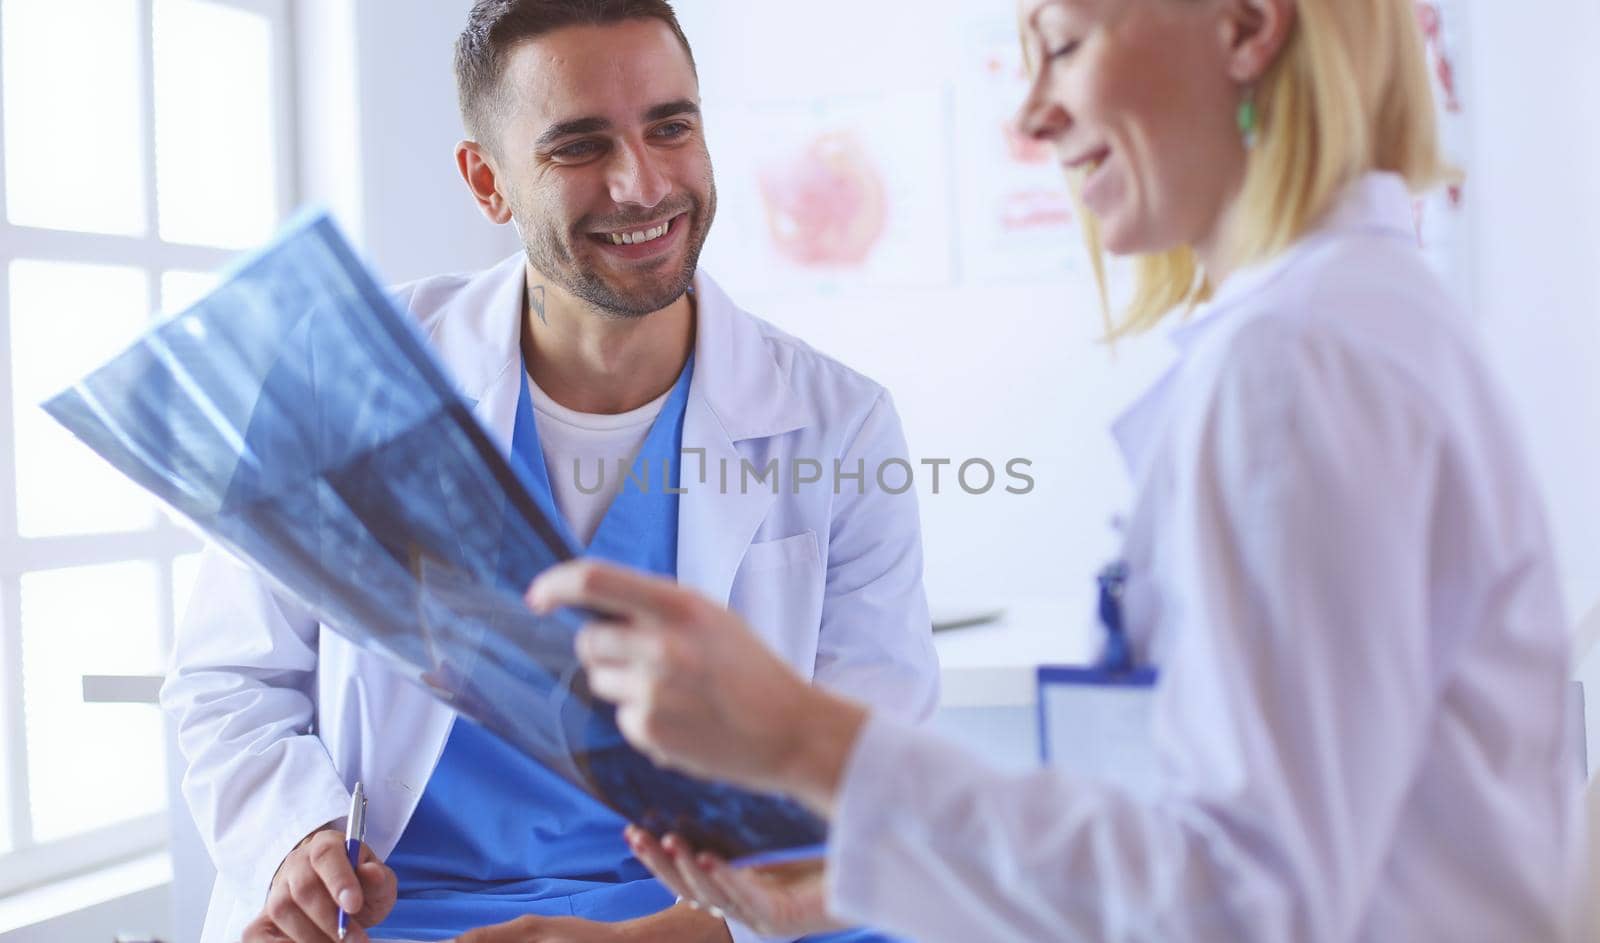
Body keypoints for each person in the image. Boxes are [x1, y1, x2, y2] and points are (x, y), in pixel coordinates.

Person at [519, 0, 1584, 940]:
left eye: (1062, 47)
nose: (1028, 118)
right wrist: (863, 868)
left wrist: (810, 740)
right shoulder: (1349, 318)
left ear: (1249, 25)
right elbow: (1215, 846)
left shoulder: (1296, 363)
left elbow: (1248, 907)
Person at [159, 2, 939, 942]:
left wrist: (666, 937)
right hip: (399, 917)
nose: (641, 183)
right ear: (488, 182)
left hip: (700, 922)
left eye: (671, 126)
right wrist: (295, 837)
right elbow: (231, 673)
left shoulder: (838, 422)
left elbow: (868, 762)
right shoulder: (351, 371)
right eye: (578, 146)